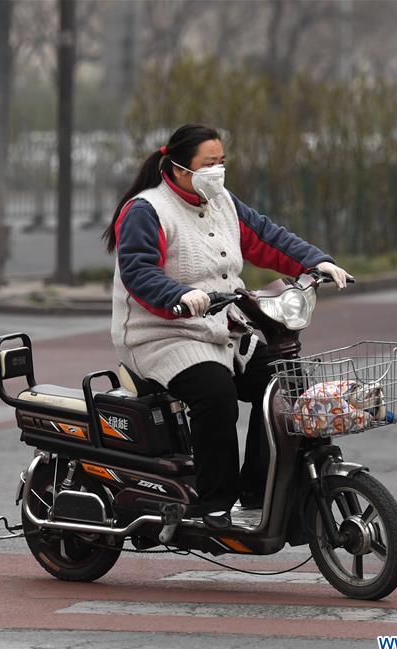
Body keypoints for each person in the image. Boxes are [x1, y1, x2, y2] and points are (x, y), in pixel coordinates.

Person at [103, 123, 351, 529]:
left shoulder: (223, 201)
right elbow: (139, 272)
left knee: (283, 383)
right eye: (209, 163)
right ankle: (214, 502)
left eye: (222, 162)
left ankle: (258, 492)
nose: (218, 170)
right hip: (162, 334)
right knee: (215, 394)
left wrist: (316, 262)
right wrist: (178, 296)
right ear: (180, 168)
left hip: (223, 329)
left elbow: (267, 238)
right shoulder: (146, 210)